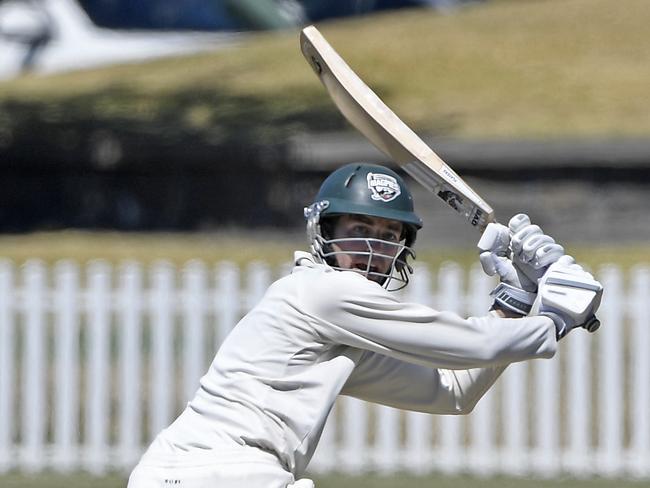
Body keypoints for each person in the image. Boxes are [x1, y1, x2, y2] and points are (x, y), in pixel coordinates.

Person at [127, 163, 603, 488]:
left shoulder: (335, 338)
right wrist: (555, 319)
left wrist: (516, 301)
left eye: (388, 235)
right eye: (360, 230)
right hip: (222, 471)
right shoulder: (324, 293)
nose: (375, 248)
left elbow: (450, 391)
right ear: (324, 232)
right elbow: (468, 344)